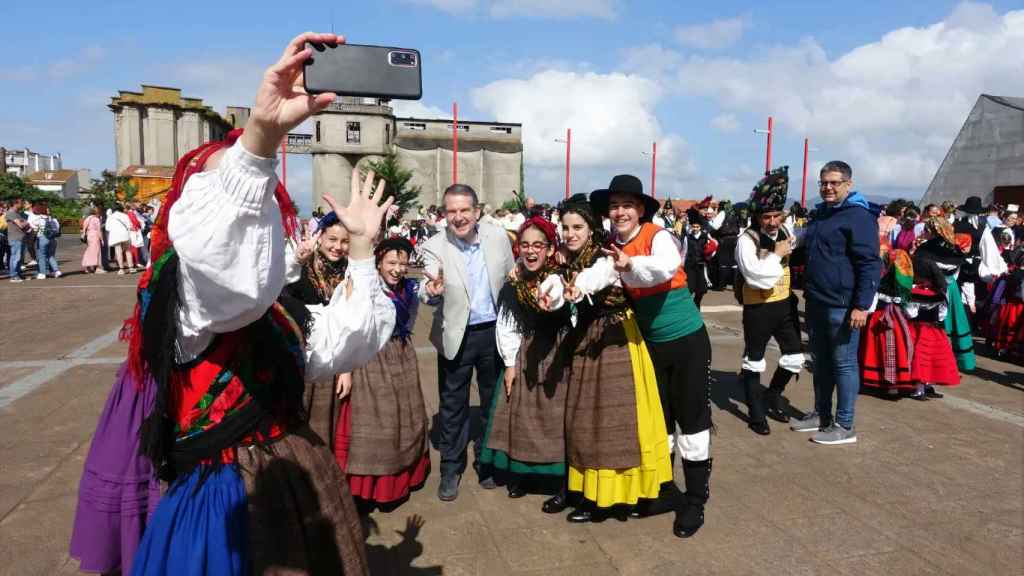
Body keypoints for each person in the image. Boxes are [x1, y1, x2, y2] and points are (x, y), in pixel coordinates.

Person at [75, 32, 398, 576]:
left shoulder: (278, 311)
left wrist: (363, 249)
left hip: (299, 476)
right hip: (225, 498)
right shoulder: (190, 300)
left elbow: (345, 341)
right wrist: (257, 145)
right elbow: (232, 273)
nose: (253, 206)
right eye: (219, 183)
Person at [590, 174, 712, 539]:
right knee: (659, 422)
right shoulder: (612, 245)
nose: (621, 211)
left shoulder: (657, 236)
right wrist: (569, 289)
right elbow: (598, 275)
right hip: (650, 345)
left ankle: (695, 501)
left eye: (628, 204)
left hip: (687, 341)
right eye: (614, 205)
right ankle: (664, 490)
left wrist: (630, 265)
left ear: (641, 209)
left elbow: (664, 266)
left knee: (692, 422)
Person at [555, 194, 673, 523]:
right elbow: (557, 286)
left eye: (577, 227)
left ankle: (618, 496)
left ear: (592, 228)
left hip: (618, 336)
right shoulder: (566, 256)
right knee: (588, 420)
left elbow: (602, 276)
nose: (570, 233)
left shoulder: (604, 254)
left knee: (618, 421)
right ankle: (591, 493)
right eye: (565, 227)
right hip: (589, 341)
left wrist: (579, 287)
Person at [419, 183, 515, 502]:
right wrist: (430, 291)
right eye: (452, 211)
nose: (458, 217)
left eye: (464, 210)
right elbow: (426, 284)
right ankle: (450, 466)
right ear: (444, 214)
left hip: (492, 333)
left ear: (477, 211)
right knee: (452, 404)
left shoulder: (498, 238)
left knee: (492, 402)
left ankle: (486, 463)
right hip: (456, 334)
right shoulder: (434, 245)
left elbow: (512, 279)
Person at [335, 237, 431, 510]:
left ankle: (396, 483)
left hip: (400, 355)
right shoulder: (362, 287)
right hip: (369, 359)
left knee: (401, 420)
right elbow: (347, 327)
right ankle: (366, 489)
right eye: (392, 262)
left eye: (403, 263)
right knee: (374, 423)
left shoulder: (408, 290)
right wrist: (345, 369)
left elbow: (410, 321)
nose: (398, 269)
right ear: (378, 262)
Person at [479, 217, 570, 502]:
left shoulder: (559, 277)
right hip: (525, 350)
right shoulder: (514, 283)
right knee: (520, 414)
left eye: (538, 246)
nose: (531, 252)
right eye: (526, 245)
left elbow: (558, 299)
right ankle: (521, 474)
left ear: (550, 249)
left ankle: (559, 478)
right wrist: (509, 363)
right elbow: (507, 325)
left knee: (554, 416)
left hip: (558, 351)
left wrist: (550, 302)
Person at [792, 160, 880, 445]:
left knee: (843, 364)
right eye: (824, 183)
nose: (828, 187)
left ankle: (845, 424)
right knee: (820, 362)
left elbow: (869, 263)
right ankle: (822, 414)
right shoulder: (821, 215)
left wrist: (861, 305)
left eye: (834, 183)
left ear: (848, 184)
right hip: (817, 300)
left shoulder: (858, 216)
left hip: (843, 305)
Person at [735, 167, 806, 435]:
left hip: (785, 304)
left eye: (777, 215)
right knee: (754, 360)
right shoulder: (747, 240)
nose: (773, 221)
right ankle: (755, 413)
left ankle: (773, 394)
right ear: (758, 216)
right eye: (767, 216)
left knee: (795, 356)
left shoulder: (787, 231)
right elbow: (756, 278)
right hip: (758, 307)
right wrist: (776, 254)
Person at [284, 210, 352, 447]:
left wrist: (346, 367)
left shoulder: (350, 272)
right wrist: (297, 260)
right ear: (320, 237)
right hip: (301, 356)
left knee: (324, 425)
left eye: (344, 241)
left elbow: (351, 322)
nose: (338, 247)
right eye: (332, 239)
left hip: (335, 358)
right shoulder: (301, 267)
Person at [916, 217, 977, 372]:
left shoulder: (927, 248)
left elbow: (920, 270)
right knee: (954, 323)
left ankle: (935, 363)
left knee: (933, 326)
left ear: (932, 231)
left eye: (927, 230)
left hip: (932, 289)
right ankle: (958, 361)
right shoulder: (955, 248)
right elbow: (957, 272)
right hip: (952, 289)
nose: (924, 232)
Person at [682, 208, 716, 309]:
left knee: (701, 289)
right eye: (694, 226)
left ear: (700, 227)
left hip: (702, 266)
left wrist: (709, 255)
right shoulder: (687, 238)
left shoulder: (705, 237)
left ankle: (697, 304)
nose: (695, 228)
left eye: (697, 226)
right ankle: (688, 308)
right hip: (690, 266)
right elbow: (684, 252)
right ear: (691, 227)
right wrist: (682, 265)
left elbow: (714, 246)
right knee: (690, 288)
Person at [28, 200, 61, 279]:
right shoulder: (53, 219)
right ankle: (56, 271)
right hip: (53, 239)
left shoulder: (38, 218)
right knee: (51, 256)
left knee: (42, 256)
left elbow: (32, 226)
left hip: (43, 238)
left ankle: (42, 273)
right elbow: (57, 229)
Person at [105, 204, 136, 274]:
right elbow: (130, 225)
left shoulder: (110, 217)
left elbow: (107, 228)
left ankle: (121, 269)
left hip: (115, 235)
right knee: (128, 250)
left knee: (118, 251)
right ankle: (131, 268)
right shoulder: (125, 215)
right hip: (125, 234)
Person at [5, 197, 30, 282]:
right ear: (15, 204)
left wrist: (26, 223)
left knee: (20, 258)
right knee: (16, 257)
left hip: (21, 237)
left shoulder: (18, 214)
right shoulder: (10, 213)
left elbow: (26, 227)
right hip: (15, 238)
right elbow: (22, 225)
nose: (22, 204)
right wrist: (27, 222)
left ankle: (18, 274)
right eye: (20, 203)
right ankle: (14, 276)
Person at [81, 206, 105, 274]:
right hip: (95, 236)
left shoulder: (87, 219)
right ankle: (97, 268)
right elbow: (99, 230)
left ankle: (87, 267)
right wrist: (102, 239)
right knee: (97, 252)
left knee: (89, 251)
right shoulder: (96, 219)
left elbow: (84, 228)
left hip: (89, 236)